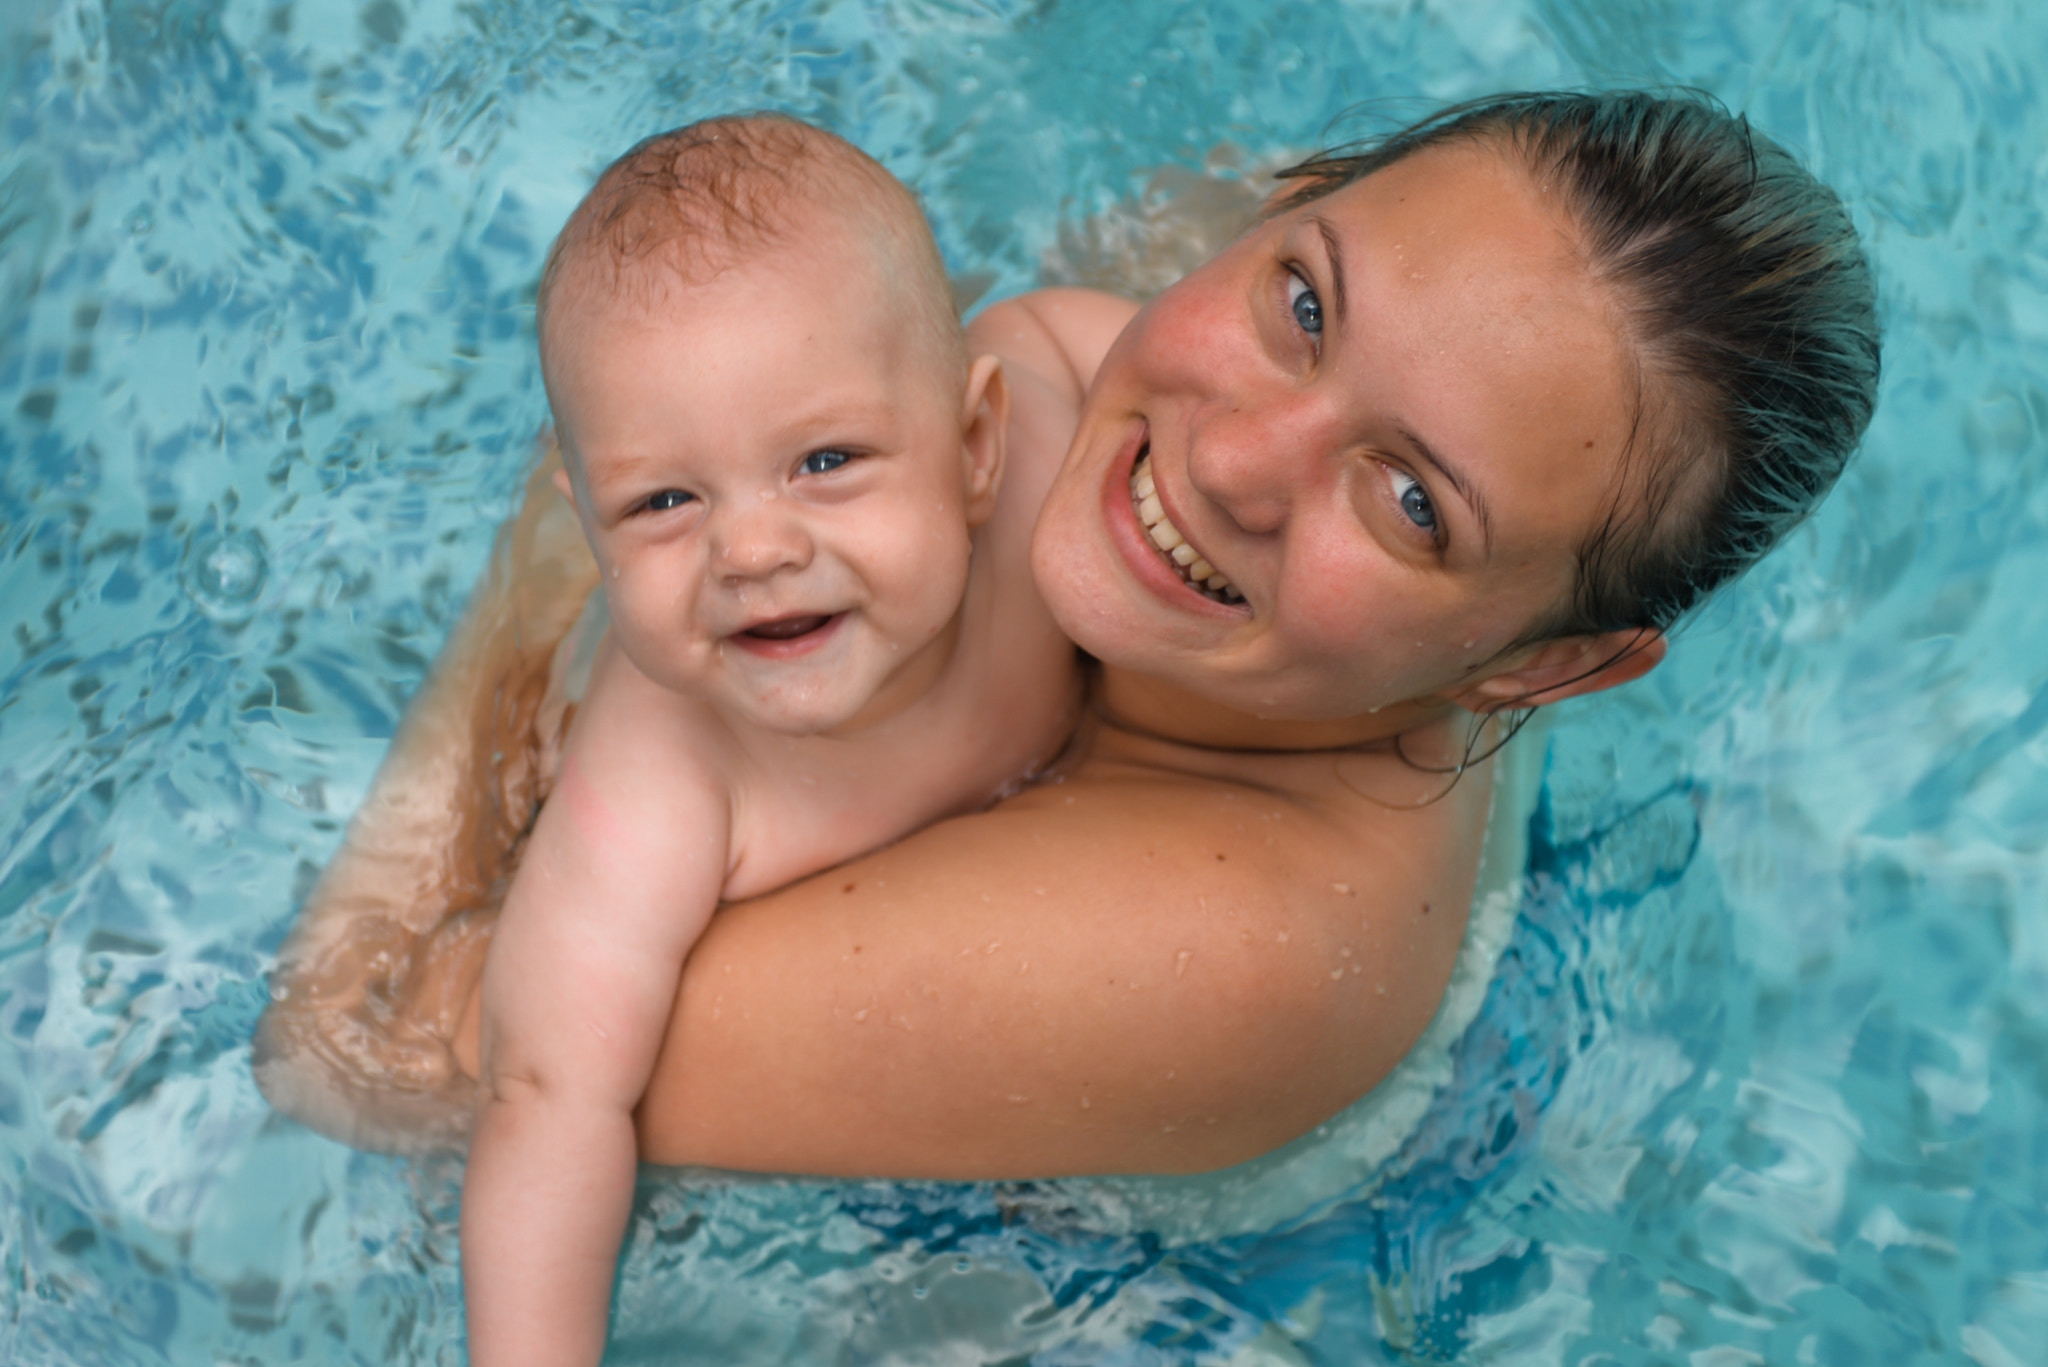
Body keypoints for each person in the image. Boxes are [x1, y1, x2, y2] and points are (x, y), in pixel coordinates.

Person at [256, 90, 1878, 1192]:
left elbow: (380, 1045)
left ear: (1543, 668)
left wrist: (591, 541)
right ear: (1287, 200)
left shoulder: (1226, 952)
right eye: (1303, 302)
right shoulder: (1089, 367)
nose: (1224, 458)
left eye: (1404, 501)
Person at [429, 115, 1081, 1367]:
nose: (751, 551)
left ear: (975, 448)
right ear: (593, 525)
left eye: (824, 460)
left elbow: (1065, 338)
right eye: (662, 501)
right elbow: (548, 1095)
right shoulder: (660, 780)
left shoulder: (1053, 478)